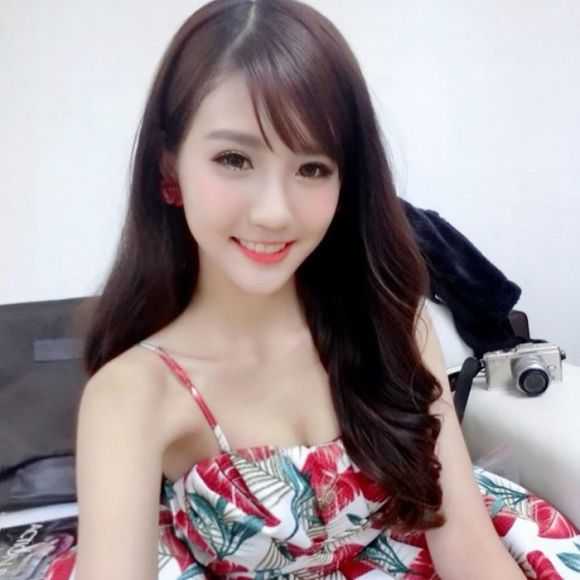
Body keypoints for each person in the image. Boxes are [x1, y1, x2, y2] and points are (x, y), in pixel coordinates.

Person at [74, 1, 579, 578]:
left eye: (312, 167)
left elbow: (463, 540)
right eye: (234, 158)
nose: (274, 212)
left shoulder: (392, 326)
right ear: (170, 170)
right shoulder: (133, 396)